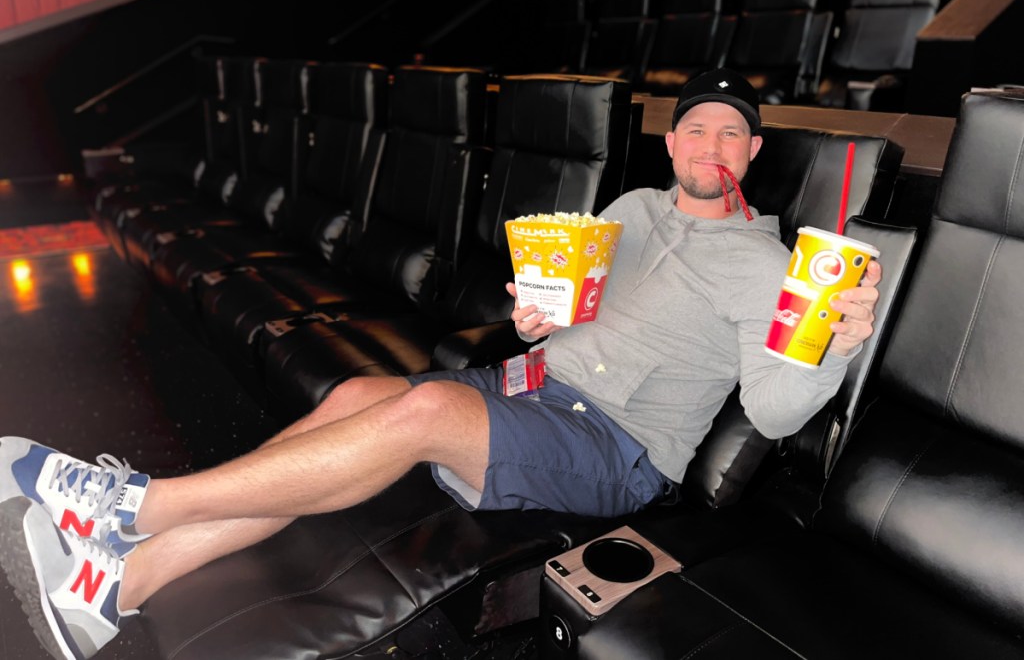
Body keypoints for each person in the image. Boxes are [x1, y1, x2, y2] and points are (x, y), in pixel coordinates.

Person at [0, 68, 881, 660]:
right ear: (673, 143)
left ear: (752, 155)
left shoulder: (777, 269)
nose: (711, 146)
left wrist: (834, 342)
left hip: (620, 447)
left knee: (413, 417)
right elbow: (567, 321)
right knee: (352, 392)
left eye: (732, 135)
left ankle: (135, 505)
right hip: (530, 387)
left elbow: (771, 412)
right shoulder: (636, 206)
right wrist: (540, 318)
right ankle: (115, 583)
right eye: (697, 129)